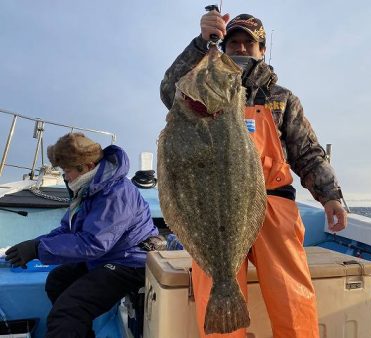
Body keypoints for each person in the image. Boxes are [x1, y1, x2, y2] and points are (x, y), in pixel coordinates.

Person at [160, 10, 348, 338]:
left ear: (262, 50)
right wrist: (201, 44)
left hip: (273, 207)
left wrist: (331, 196)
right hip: (212, 211)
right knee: (214, 286)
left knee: (291, 293)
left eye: (250, 43)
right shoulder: (195, 89)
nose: (242, 48)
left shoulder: (282, 100)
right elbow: (169, 90)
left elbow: (307, 153)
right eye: (234, 42)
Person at [5, 132, 158, 338]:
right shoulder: (89, 189)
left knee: (67, 311)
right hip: (110, 256)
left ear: (85, 167)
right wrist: (34, 244)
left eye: (67, 171)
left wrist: (38, 250)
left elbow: (94, 243)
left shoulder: (116, 192)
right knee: (58, 280)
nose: (65, 177)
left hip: (131, 262)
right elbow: (68, 230)